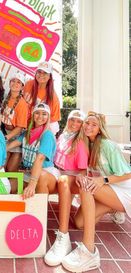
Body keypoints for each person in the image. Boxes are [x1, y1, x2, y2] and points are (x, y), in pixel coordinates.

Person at [60, 111, 131, 272]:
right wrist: (80, 174)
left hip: (125, 190)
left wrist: (102, 180)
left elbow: (128, 174)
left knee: (86, 185)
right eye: (87, 123)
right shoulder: (86, 144)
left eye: (94, 124)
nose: (89, 126)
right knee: (79, 223)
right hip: (109, 190)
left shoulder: (106, 145)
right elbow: (85, 169)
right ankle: (110, 207)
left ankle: (89, 251)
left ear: (100, 129)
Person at [44, 110, 89, 267]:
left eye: (79, 121)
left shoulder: (80, 142)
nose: (75, 124)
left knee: (63, 181)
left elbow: (82, 171)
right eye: (72, 120)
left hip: (71, 177)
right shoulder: (63, 137)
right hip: (58, 171)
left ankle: (63, 236)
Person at [7, 103, 57, 198]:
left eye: (44, 114)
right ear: (33, 115)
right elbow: (12, 145)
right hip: (29, 173)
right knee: (8, 187)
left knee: (37, 187)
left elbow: (40, 159)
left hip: (45, 173)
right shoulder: (27, 132)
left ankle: (41, 211)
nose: (40, 116)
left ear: (48, 117)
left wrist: (32, 184)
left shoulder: (47, 135)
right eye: (37, 113)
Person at [1, 72, 28, 172]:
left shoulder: (22, 104)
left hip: (15, 136)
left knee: (11, 170)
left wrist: (7, 137)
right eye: (13, 81)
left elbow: (20, 127)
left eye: (18, 82)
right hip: (5, 134)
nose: (15, 84)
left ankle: (11, 187)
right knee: (1, 166)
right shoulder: (6, 99)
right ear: (9, 83)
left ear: (22, 87)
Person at [23, 61, 61, 135]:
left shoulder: (53, 97)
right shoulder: (28, 84)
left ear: (50, 76)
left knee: (53, 126)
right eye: (39, 72)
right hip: (25, 122)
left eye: (45, 73)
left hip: (41, 125)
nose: (41, 75)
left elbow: (54, 119)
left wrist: (37, 129)